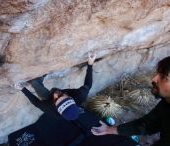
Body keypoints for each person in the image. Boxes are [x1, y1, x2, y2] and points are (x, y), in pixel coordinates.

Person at [9, 52, 137, 146]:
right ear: (71, 98)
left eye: (57, 98)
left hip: (56, 105)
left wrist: (22, 89)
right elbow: (88, 84)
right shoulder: (79, 96)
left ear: (56, 107)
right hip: (67, 103)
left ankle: (37, 82)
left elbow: (36, 102)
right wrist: (90, 64)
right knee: (52, 95)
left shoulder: (50, 108)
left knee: (44, 94)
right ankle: (39, 82)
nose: (56, 94)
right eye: (61, 95)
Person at [91, 56, 170, 146]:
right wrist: (110, 130)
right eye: (158, 73)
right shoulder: (166, 103)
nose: (153, 79)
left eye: (164, 77)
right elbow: (147, 124)